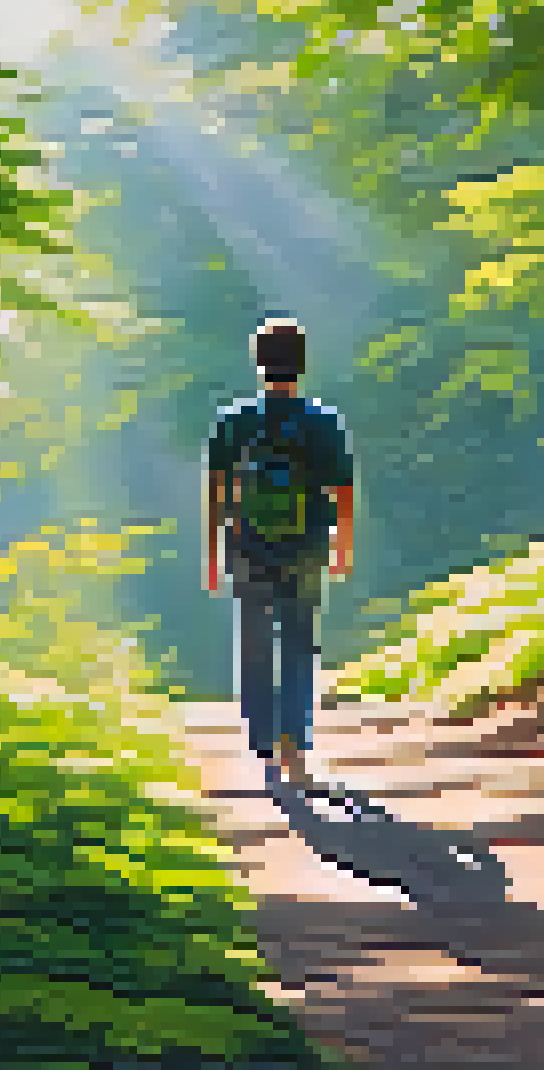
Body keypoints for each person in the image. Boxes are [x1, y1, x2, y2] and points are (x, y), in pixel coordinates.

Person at [204, 315, 355, 794]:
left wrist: (213, 553)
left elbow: (218, 494)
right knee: (297, 645)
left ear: (259, 363)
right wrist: (342, 547)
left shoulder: (233, 422)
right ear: (302, 363)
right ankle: (295, 746)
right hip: (307, 549)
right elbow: (342, 492)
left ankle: (265, 750)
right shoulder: (324, 423)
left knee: (253, 650)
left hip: (248, 549)